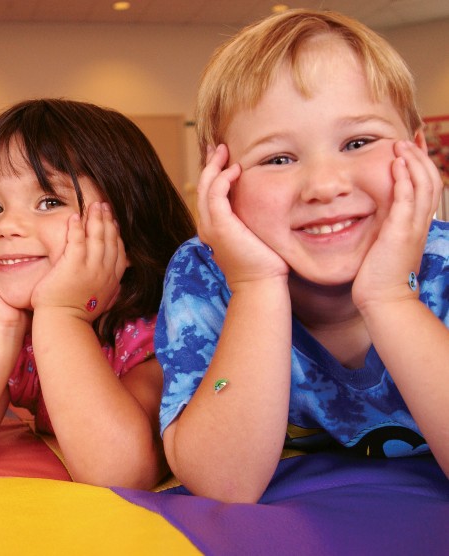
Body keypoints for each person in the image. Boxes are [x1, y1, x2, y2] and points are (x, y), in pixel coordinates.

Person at [156, 9, 449, 503]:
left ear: (417, 153)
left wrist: (389, 296)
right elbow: (224, 484)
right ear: (221, 181)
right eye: (278, 158)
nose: (325, 185)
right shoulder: (205, 272)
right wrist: (256, 286)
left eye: (358, 142)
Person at [0, 99, 195, 489]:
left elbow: (121, 472)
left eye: (49, 201)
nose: (8, 226)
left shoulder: (162, 330)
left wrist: (64, 315)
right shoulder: (14, 328)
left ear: (128, 223)